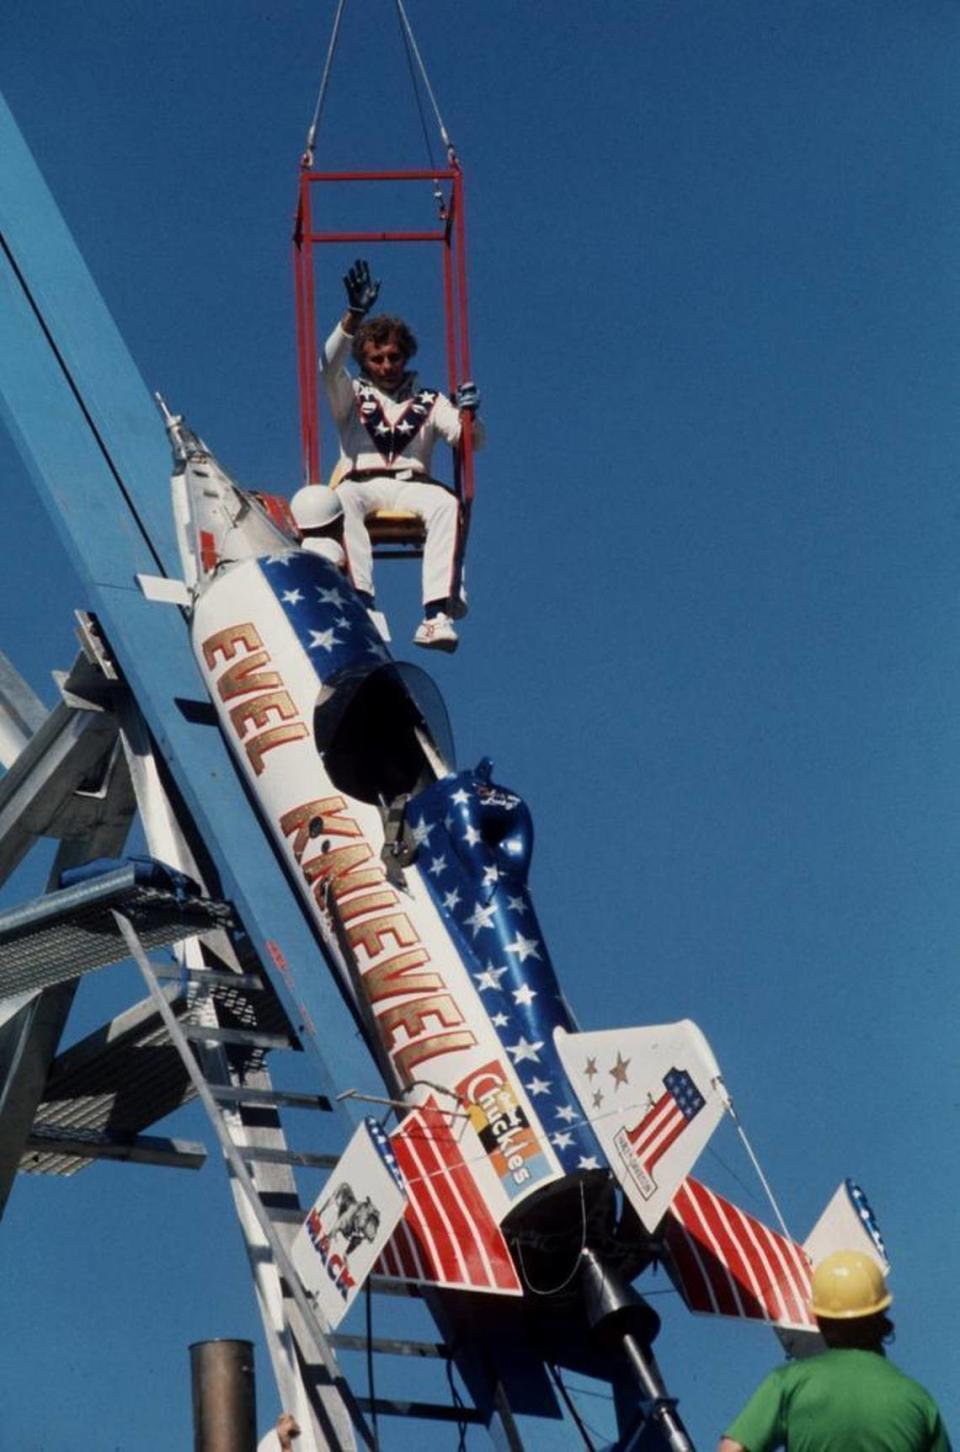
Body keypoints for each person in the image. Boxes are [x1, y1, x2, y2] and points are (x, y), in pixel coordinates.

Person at [316, 257, 482, 652]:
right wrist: (353, 316)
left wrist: (471, 415)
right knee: (341, 500)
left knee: (446, 503)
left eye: (394, 356)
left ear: (405, 355)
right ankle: (363, 603)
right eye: (377, 358)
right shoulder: (351, 394)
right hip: (362, 482)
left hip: (412, 485)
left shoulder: (430, 400)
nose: (387, 366)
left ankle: (436, 614)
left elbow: (465, 441)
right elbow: (326, 366)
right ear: (364, 361)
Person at [718, 1250, 951, 1452]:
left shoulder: (788, 1383)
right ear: (882, 1314)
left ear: (821, 1320)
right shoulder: (918, 1401)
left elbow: (733, 1449)